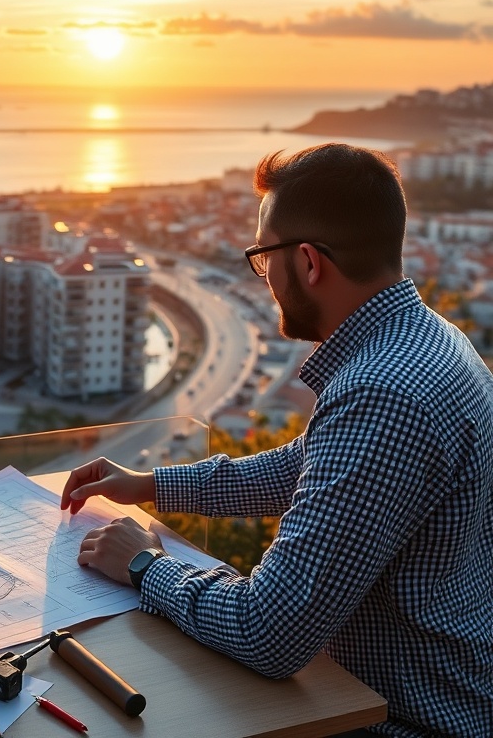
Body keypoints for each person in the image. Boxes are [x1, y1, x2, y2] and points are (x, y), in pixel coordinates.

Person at [61, 144, 492, 737]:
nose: (263, 279)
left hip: (402, 721)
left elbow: (270, 632)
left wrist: (143, 564)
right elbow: (310, 466)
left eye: (263, 258)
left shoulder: (382, 395)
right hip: (401, 694)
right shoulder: (428, 341)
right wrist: (152, 484)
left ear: (310, 262)